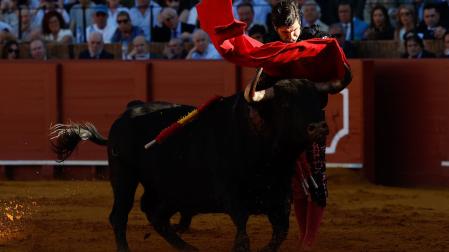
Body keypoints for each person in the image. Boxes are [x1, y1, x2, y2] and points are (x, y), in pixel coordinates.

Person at [258, 1, 350, 250]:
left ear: (300, 21)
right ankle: (303, 236)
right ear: (275, 29)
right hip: (285, 126)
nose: (291, 37)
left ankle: (309, 241)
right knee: (297, 184)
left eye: (294, 30)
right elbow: (261, 89)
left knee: (316, 180)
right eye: (284, 33)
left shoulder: (318, 38)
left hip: (311, 121)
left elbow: (345, 77)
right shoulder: (270, 46)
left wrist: (316, 87)